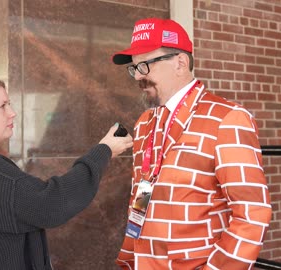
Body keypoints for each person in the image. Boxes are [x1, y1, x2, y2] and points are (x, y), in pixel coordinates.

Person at [112, 18, 272, 270]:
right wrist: (131, 256)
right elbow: (143, 193)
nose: (137, 77)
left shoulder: (227, 118)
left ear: (180, 62)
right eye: (134, 68)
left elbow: (252, 213)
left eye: (144, 65)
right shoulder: (145, 123)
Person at [0, 74, 133, 270]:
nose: (12, 112)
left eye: (9, 104)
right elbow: (51, 204)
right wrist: (103, 151)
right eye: (2, 106)